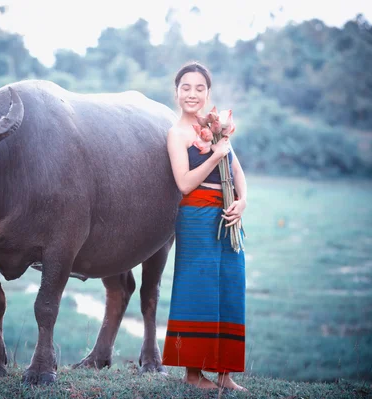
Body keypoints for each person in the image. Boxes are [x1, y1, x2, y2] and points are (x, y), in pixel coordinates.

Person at [161, 61, 248, 391]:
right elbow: (183, 183)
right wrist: (213, 155)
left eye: (199, 88)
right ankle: (194, 374)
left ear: (208, 93)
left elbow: (237, 171)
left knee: (229, 285)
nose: (192, 94)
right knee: (197, 289)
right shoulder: (177, 134)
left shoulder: (217, 127)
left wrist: (243, 201)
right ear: (176, 92)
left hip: (228, 218)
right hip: (195, 220)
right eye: (186, 88)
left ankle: (225, 373)